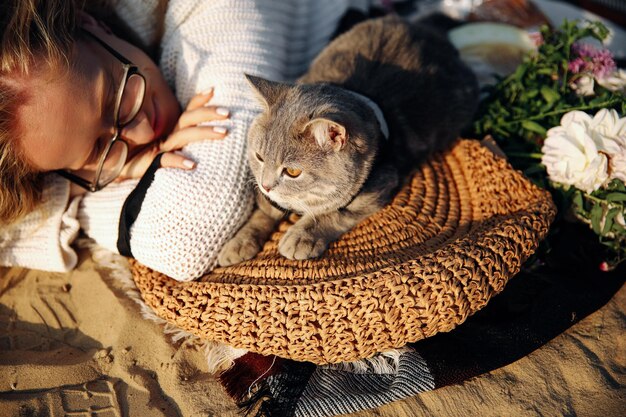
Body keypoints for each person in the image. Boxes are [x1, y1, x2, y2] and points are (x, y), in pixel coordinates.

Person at [0, 0, 379, 281]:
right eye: (99, 148)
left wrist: (93, 189)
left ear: (93, 25)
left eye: (118, 97)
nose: (145, 133)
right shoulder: (70, 166)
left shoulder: (212, 9)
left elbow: (183, 236)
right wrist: (70, 191)